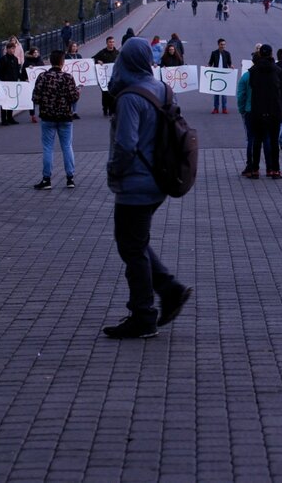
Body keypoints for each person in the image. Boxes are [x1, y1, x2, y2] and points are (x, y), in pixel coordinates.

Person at [104, 37, 193, 339]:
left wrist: (114, 169)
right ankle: (169, 290)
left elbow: (126, 144)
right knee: (134, 242)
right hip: (159, 179)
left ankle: (144, 314)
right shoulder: (161, 88)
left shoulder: (130, 96)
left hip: (135, 183)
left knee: (131, 247)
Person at [31, 49, 80, 191]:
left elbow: (36, 98)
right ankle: (70, 178)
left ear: (50, 61)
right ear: (62, 62)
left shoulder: (43, 77)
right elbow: (73, 98)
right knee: (67, 146)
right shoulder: (67, 77)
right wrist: (77, 92)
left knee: (48, 148)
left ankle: (47, 180)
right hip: (65, 117)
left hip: (48, 117)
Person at [247, 44, 282, 179]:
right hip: (274, 110)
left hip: (258, 110)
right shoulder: (278, 70)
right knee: (274, 141)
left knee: (257, 141)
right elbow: (281, 88)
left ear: (260, 54)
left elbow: (252, 86)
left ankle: (255, 169)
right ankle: (275, 170)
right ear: (271, 54)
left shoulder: (253, 70)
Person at [237, 50, 257, 177]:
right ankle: (271, 167)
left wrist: (241, 109)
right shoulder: (269, 73)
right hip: (265, 111)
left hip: (249, 110)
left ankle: (251, 166)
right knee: (265, 139)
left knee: (251, 138)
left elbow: (241, 95)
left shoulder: (247, 75)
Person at [0, 37, 23, 125]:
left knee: (12, 101)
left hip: (13, 83)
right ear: (7, 49)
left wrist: (22, 78)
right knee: (4, 101)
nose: (13, 50)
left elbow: (17, 71)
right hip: (5, 83)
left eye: (14, 48)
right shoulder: (3, 59)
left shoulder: (15, 59)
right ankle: (4, 119)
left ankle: (10, 117)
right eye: (11, 49)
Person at [93, 36, 120, 117]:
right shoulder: (102, 52)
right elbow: (93, 59)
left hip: (114, 78)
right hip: (104, 78)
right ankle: (105, 108)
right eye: (110, 42)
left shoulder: (117, 53)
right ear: (107, 43)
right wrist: (98, 61)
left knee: (113, 93)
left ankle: (112, 109)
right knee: (105, 93)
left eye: (112, 42)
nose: (111, 44)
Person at [208, 38, 233, 114]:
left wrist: (231, 66)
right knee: (216, 93)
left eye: (224, 44)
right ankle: (216, 108)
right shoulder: (214, 53)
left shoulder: (227, 53)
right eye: (221, 44)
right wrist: (207, 67)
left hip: (224, 75)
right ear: (218, 45)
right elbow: (210, 63)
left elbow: (229, 63)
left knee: (224, 93)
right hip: (216, 75)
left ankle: (224, 108)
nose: (223, 46)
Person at [23, 47, 44, 123]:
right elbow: (23, 73)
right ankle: (32, 115)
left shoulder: (40, 60)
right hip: (30, 83)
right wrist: (27, 72)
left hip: (39, 83)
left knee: (42, 98)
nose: (36, 54)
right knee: (31, 100)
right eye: (34, 53)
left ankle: (42, 113)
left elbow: (43, 70)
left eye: (37, 52)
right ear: (31, 54)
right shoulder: (27, 62)